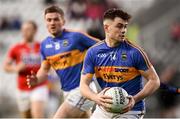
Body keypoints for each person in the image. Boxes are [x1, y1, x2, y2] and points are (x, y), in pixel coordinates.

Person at [80, 8, 160, 119]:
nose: (123, 30)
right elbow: (83, 85)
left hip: (131, 110)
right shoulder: (93, 52)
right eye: (119, 26)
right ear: (106, 28)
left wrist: (135, 99)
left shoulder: (135, 52)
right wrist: (96, 97)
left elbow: (155, 80)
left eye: (125, 26)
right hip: (105, 109)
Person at [26, 5, 100, 118]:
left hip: (83, 88)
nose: (52, 23)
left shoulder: (76, 36)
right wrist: (36, 79)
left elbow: (101, 46)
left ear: (63, 21)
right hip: (67, 92)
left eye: (56, 19)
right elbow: (44, 70)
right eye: (49, 20)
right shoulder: (45, 45)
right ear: (45, 23)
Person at [3, 21, 49, 118]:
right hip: (22, 87)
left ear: (35, 30)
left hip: (39, 85)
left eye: (28, 29)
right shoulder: (16, 48)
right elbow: (5, 67)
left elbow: (49, 65)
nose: (25, 32)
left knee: (37, 115)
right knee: (26, 116)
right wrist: (16, 68)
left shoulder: (42, 47)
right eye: (23, 29)